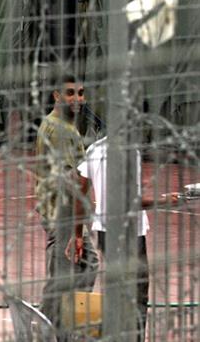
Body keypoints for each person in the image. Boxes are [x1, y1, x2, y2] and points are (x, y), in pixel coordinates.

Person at [78, 136, 180, 341]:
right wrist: (164, 200)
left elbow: (79, 191)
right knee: (137, 294)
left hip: (105, 230)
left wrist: (77, 233)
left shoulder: (95, 148)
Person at [35, 74, 98, 336]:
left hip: (62, 209)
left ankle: (65, 322)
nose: (78, 99)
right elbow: (72, 180)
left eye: (81, 93)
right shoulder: (60, 130)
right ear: (56, 96)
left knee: (84, 266)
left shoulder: (61, 126)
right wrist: (77, 228)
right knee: (64, 274)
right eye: (70, 93)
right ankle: (47, 329)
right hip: (63, 212)